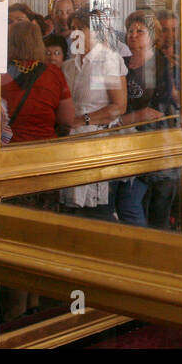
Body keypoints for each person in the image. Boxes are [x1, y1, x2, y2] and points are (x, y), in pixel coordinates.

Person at [59, 12, 126, 217]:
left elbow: (118, 106)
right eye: (72, 28)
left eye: (81, 28)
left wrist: (83, 120)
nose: (74, 34)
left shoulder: (108, 60)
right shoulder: (69, 66)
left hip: (97, 141)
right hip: (70, 145)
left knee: (97, 214)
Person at [114, 11, 178, 226]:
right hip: (125, 140)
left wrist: (131, 117)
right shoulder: (121, 62)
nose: (133, 34)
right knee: (130, 204)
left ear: (152, 35)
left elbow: (159, 106)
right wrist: (130, 117)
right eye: (130, 30)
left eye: (140, 31)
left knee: (157, 206)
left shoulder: (161, 64)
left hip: (156, 141)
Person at [0, 20, 72, 145]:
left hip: (8, 150)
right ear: (39, 43)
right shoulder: (54, 73)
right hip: (45, 148)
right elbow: (67, 119)